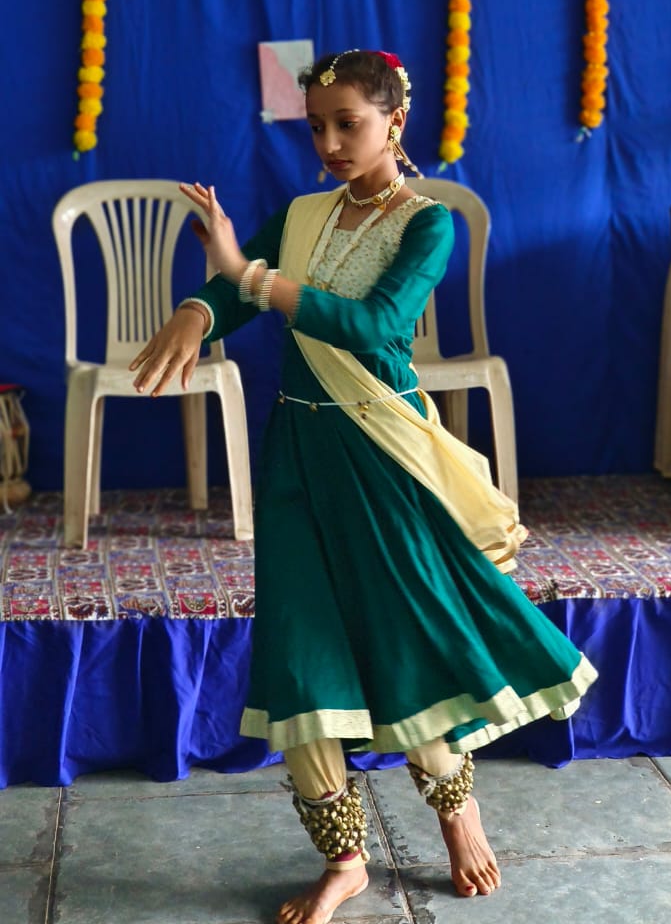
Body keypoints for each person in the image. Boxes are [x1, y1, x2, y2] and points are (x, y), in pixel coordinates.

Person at [129, 48, 598, 924]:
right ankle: (344, 860)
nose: (331, 142)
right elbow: (237, 290)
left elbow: (377, 327)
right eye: (317, 126)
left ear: (395, 122)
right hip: (299, 456)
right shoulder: (303, 214)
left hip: (381, 455)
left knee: (402, 637)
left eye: (349, 123)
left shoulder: (427, 225)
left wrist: (247, 276)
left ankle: (456, 811)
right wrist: (198, 309)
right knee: (300, 655)